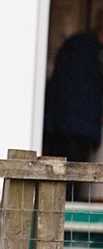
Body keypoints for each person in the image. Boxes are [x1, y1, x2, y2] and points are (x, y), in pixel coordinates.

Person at [43, 22, 103, 201]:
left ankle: (51, 206)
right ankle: (68, 208)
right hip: (81, 125)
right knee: (74, 171)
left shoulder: (71, 45)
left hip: (55, 120)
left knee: (54, 168)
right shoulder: (98, 53)